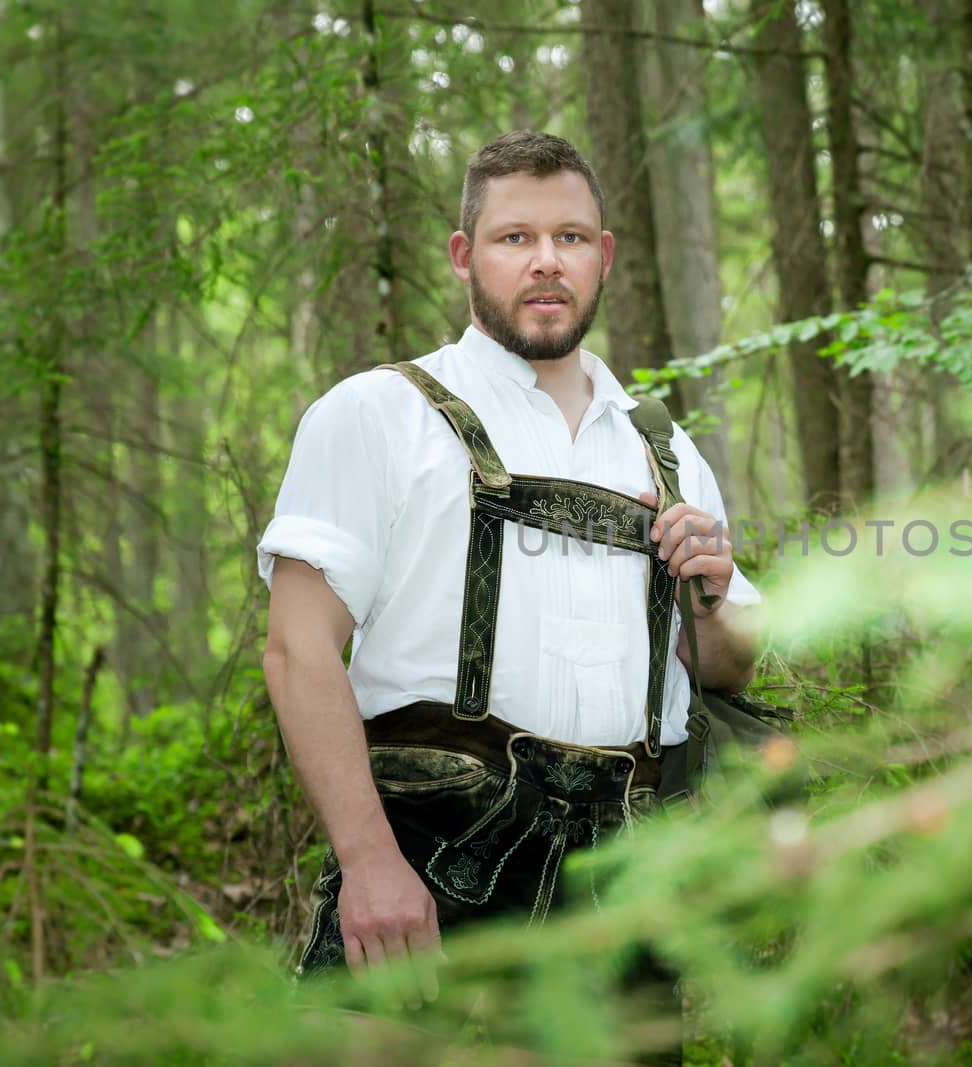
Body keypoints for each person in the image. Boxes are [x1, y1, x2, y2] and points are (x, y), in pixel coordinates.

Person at [257, 131, 761, 1033]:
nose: (545, 262)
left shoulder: (664, 449)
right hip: (430, 857)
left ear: (602, 258)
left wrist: (709, 597)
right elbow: (298, 651)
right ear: (464, 256)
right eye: (514, 237)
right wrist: (370, 860)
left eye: (570, 238)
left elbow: (727, 669)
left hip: (621, 884)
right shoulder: (379, 414)